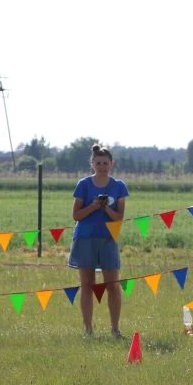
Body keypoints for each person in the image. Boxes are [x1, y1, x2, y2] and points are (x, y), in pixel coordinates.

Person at [68, 144, 128, 337]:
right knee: (87, 284)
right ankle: (88, 329)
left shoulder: (119, 186)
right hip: (85, 238)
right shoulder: (83, 184)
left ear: (111, 164)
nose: (102, 166)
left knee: (113, 284)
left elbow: (119, 217)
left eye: (105, 163)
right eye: (98, 163)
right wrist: (93, 206)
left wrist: (105, 209)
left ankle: (115, 329)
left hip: (109, 238)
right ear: (92, 163)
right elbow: (76, 215)